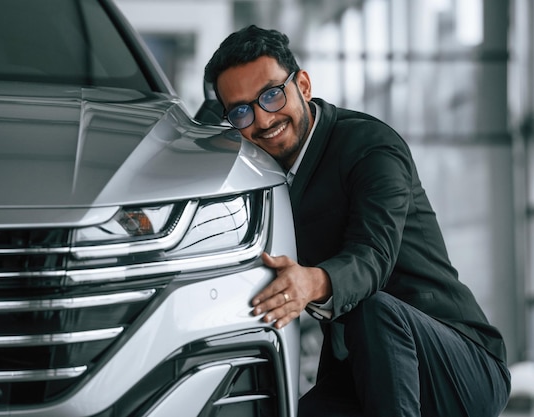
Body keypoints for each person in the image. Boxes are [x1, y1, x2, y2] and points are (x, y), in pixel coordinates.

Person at [203, 25, 511, 417]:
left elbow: (373, 257)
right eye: (242, 110)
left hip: (462, 367)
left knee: (373, 307)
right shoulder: (260, 171)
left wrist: (311, 283)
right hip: (363, 373)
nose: (262, 120)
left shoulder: (370, 146)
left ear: (303, 84)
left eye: (271, 95)